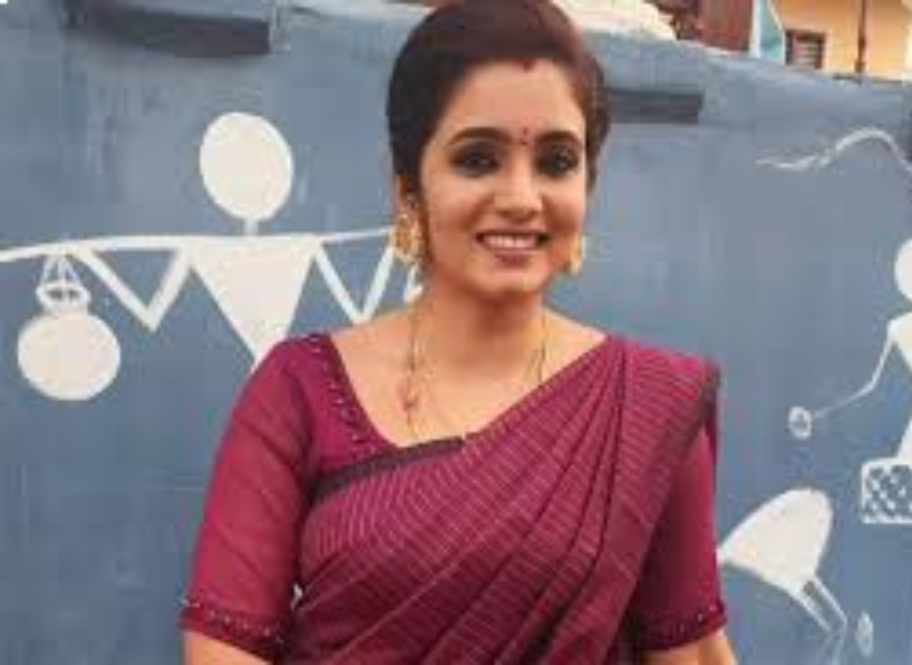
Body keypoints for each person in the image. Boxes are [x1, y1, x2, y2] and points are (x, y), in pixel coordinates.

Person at [180, 1, 735, 663]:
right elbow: (223, 650)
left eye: (557, 161)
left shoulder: (641, 408)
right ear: (408, 189)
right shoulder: (297, 390)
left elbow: (691, 651)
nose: (522, 197)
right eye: (477, 160)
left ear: (588, 184)